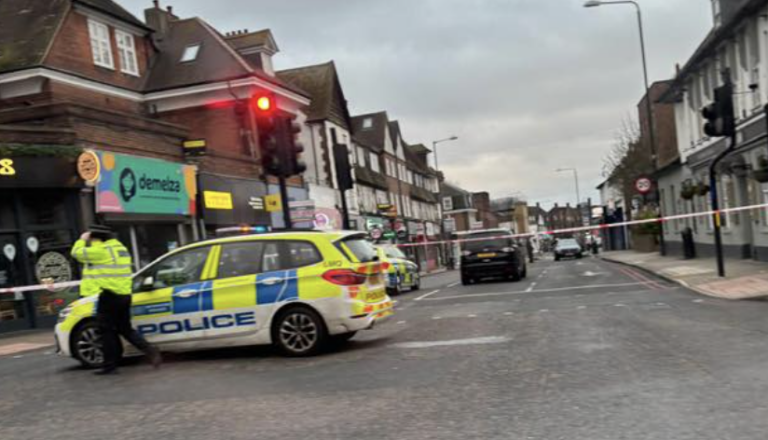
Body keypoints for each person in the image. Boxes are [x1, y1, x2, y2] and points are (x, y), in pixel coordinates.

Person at [71, 225, 161, 375]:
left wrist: (82, 240)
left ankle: (110, 365)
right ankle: (150, 350)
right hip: (125, 294)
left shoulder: (101, 251)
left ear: (96, 238)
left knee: (105, 330)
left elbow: (76, 253)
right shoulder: (121, 249)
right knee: (125, 328)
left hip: (109, 295)